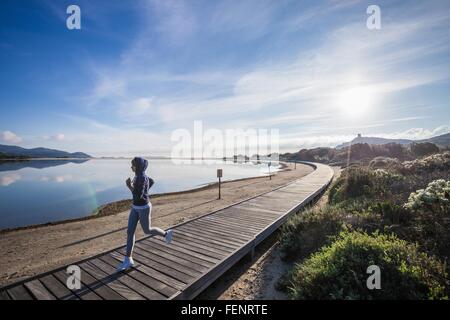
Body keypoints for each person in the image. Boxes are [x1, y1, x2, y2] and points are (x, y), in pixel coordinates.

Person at [117, 157, 173, 271]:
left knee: (147, 230)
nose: (131, 167)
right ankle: (128, 259)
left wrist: (129, 186)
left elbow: (138, 194)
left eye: (132, 165)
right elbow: (151, 181)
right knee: (130, 231)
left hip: (143, 207)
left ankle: (166, 234)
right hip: (135, 207)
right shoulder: (139, 175)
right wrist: (145, 191)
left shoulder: (141, 177)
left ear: (138, 166)